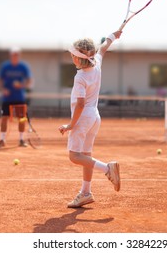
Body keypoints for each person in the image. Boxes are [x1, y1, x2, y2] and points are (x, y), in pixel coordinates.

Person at [59, 30, 122, 208]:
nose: (71, 56)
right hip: (94, 116)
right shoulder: (97, 64)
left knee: (74, 156)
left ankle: (107, 169)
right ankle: (86, 193)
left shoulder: (80, 77)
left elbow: (79, 105)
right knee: (86, 155)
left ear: (79, 58)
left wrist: (71, 125)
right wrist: (112, 36)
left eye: (73, 54)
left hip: (84, 117)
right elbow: (103, 48)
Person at [0, 47, 32, 148]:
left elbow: (29, 81)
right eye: (13, 55)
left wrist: (21, 85)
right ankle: (2, 140)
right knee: (4, 118)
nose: (15, 56)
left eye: (16, 55)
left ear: (19, 56)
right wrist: (3, 89)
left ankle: (21, 140)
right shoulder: (5, 66)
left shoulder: (23, 67)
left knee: (21, 119)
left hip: (19, 97)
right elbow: (0, 80)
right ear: (11, 55)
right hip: (7, 98)